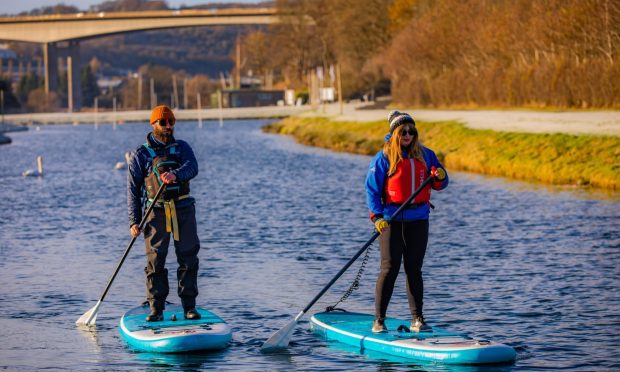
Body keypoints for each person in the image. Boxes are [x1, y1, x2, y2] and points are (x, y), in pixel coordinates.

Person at [365, 110, 449, 333]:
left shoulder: (426, 155)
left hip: (419, 219)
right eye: (403, 131)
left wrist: (440, 176)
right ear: (394, 133)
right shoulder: (383, 158)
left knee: (414, 269)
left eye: (412, 131)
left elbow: (441, 183)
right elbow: (372, 190)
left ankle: (418, 320)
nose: (408, 135)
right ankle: (379, 321)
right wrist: (377, 217)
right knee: (389, 269)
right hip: (391, 220)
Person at [127, 105, 201, 322]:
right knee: (156, 260)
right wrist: (134, 221)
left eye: (171, 122)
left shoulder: (182, 148)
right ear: (154, 124)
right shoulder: (140, 155)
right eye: (163, 122)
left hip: (183, 209)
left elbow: (193, 167)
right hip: (155, 212)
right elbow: (133, 190)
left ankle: (189, 307)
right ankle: (156, 309)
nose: (168, 126)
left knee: (188, 257)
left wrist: (175, 175)